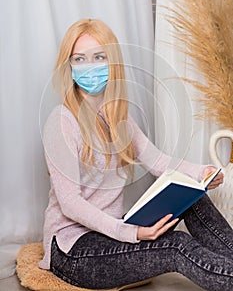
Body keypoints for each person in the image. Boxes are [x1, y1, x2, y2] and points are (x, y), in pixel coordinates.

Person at [39, 18, 233, 291]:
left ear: (112, 62)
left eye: (98, 57)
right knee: (176, 245)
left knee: (193, 197)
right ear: (68, 66)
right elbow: (70, 203)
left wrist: (201, 173)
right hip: (73, 250)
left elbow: (157, 161)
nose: (90, 66)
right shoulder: (61, 122)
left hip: (112, 231)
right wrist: (130, 233)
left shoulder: (117, 116)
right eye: (79, 59)